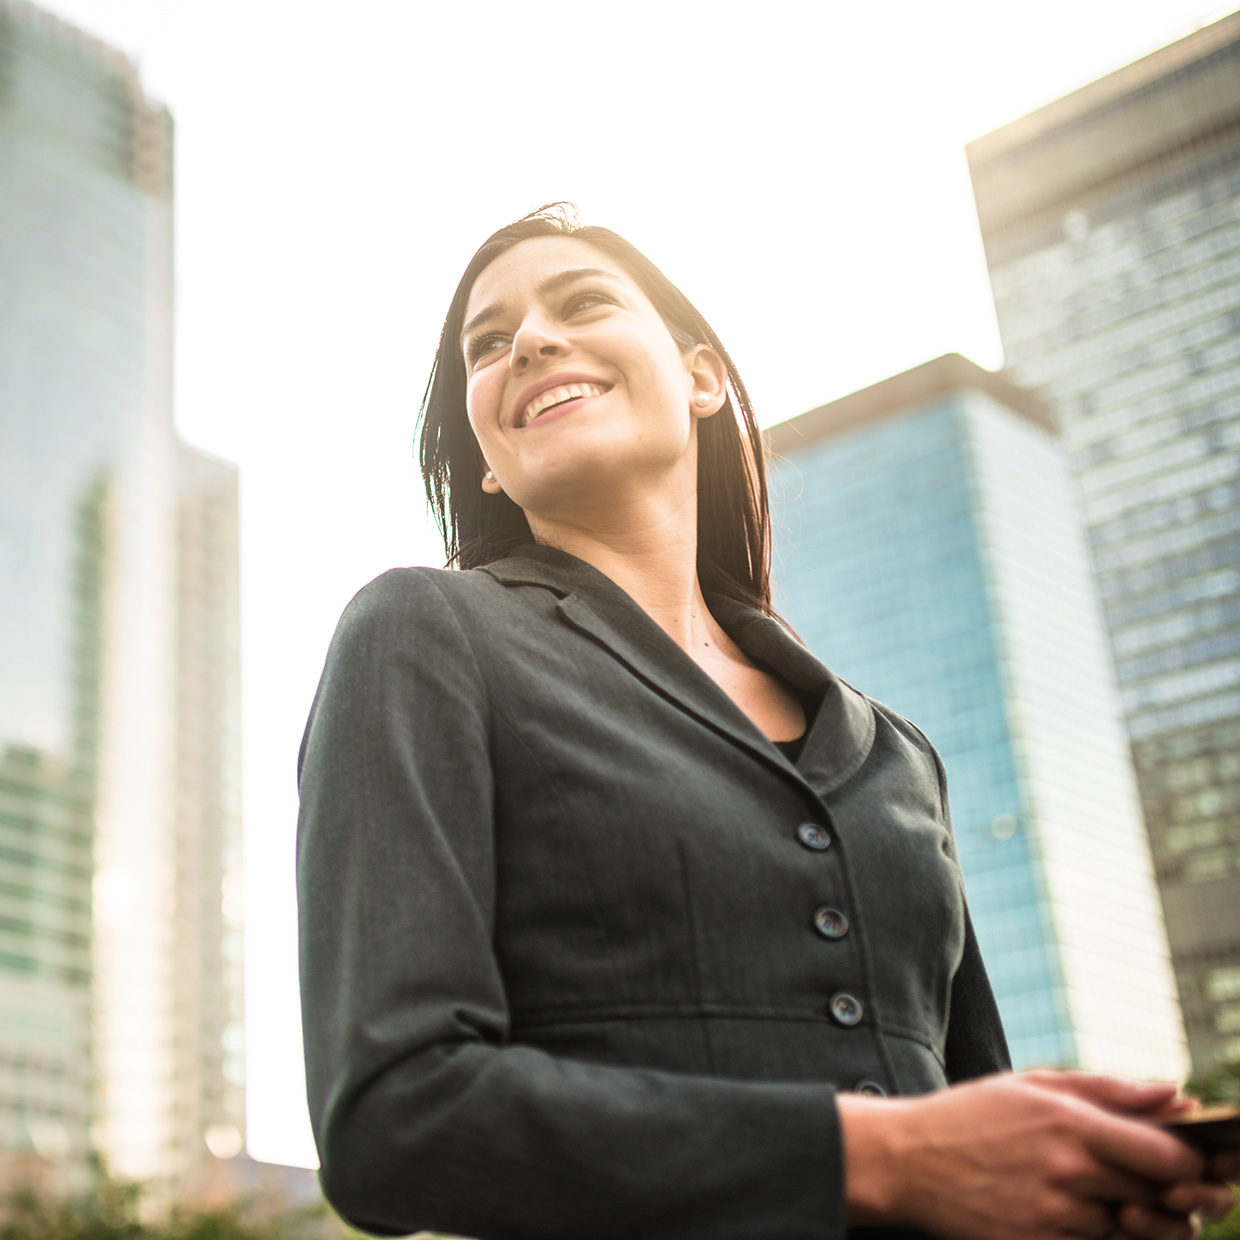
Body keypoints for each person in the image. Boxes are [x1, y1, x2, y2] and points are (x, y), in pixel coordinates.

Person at [297, 205, 1238, 1240]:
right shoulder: (422, 633)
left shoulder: (898, 754)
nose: (528, 340)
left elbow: (975, 1128)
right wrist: (883, 1156)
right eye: (488, 342)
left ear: (701, 377)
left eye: (582, 302)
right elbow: (396, 1118)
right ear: (486, 456)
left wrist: (1087, 1191)